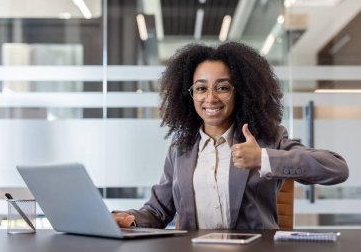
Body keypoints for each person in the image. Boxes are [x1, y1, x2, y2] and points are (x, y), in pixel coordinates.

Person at [112, 42, 349, 230]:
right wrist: (128, 219)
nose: (211, 98)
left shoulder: (266, 140)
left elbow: (337, 168)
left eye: (223, 87)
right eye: (201, 88)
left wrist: (263, 158)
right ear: (190, 95)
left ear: (241, 92)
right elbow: (156, 211)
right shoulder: (180, 150)